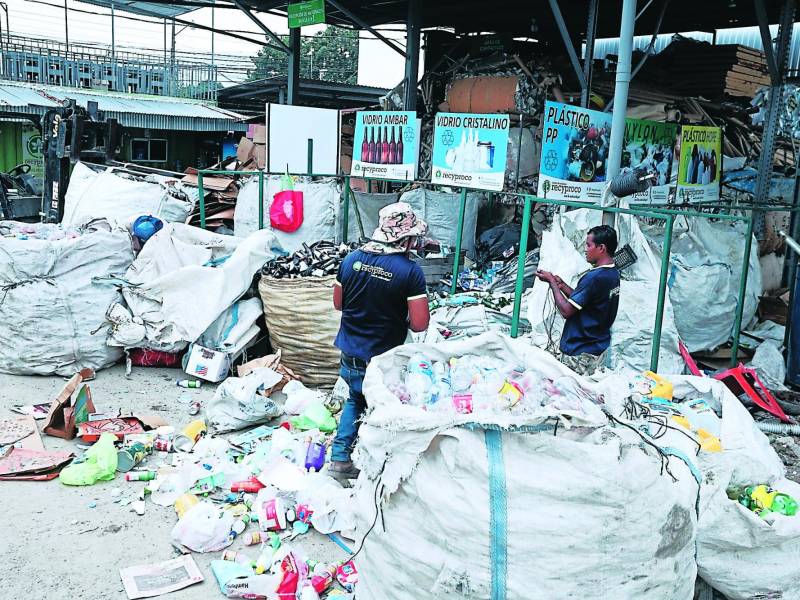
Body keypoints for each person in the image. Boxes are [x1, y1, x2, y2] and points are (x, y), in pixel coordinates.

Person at [329, 202, 431, 483]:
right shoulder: (409, 271)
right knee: (384, 408)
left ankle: (341, 458)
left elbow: (338, 304)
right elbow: (420, 324)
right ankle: (380, 463)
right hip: (384, 357)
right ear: (406, 238)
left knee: (356, 399)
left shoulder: (350, 260)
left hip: (350, 350)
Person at [536, 225, 620, 376]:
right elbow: (587, 301)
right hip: (597, 347)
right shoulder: (612, 273)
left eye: (588, 245)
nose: (585, 250)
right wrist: (562, 285)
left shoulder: (594, 278)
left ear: (601, 248)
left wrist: (552, 282)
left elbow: (566, 311)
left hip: (580, 351)